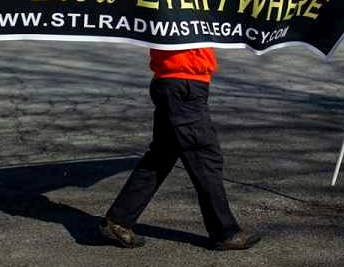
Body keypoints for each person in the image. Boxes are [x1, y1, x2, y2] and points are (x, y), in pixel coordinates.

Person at [100, 47, 262, 251]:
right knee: (205, 157)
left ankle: (118, 221)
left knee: (161, 157)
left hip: (179, 83)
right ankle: (225, 232)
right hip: (183, 84)